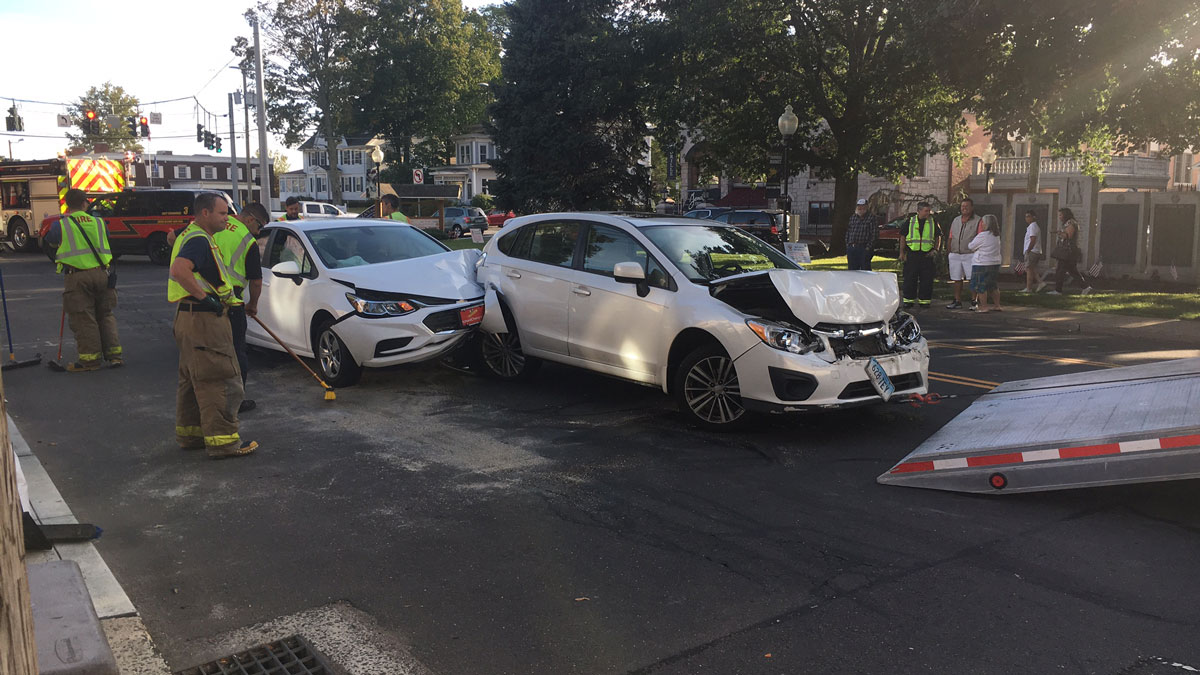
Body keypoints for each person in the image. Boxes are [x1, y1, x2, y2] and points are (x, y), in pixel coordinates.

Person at [168, 192, 257, 458]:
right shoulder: (199, 239)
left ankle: (191, 435)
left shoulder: (192, 235)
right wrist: (204, 298)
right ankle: (224, 442)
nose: (227, 218)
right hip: (203, 320)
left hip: (188, 318)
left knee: (192, 378)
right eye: (222, 213)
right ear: (205, 213)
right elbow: (179, 270)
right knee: (220, 378)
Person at [43, 188, 123, 371]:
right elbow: (107, 239)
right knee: (105, 315)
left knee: (84, 318)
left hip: (77, 276)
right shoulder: (99, 223)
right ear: (84, 203)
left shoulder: (61, 225)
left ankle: (90, 360)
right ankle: (115, 356)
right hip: (102, 274)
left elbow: (50, 240)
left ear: (67, 205)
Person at [215, 202, 269, 414]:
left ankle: (212, 399)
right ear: (249, 219)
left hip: (201, 299)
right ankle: (236, 401)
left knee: (210, 352)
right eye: (259, 226)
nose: (259, 232)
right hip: (231, 302)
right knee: (237, 352)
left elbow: (172, 238)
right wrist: (252, 305)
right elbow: (256, 281)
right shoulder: (247, 240)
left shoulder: (214, 224)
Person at [899, 201, 942, 309]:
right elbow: (903, 237)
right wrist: (902, 253)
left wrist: (935, 250)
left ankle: (925, 301)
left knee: (927, 279)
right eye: (926, 211)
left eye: (929, 211)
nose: (928, 213)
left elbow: (938, 236)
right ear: (919, 211)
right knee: (909, 278)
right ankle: (908, 300)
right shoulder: (910, 221)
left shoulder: (933, 222)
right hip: (912, 254)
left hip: (927, 255)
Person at [944, 198, 981, 309]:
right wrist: (949, 251)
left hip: (970, 254)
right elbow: (951, 237)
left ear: (972, 207)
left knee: (972, 279)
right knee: (956, 278)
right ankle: (957, 301)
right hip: (955, 254)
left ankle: (974, 301)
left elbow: (980, 238)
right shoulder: (956, 220)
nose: (964, 208)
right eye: (962, 206)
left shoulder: (978, 220)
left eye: (966, 206)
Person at [1048, 207, 1092, 295]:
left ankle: (1058, 290)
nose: (1059, 217)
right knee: (1072, 271)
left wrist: (1059, 233)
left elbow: (1068, 236)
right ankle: (1085, 287)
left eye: (1061, 215)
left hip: (1068, 251)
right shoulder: (1067, 223)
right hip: (1066, 251)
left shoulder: (1071, 223)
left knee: (1060, 270)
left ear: (1065, 215)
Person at [968, 214, 1003, 312]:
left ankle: (984, 307)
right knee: (993, 286)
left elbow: (971, 246)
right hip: (994, 263)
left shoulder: (983, 235)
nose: (982, 224)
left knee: (980, 286)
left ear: (987, 224)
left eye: (983, 222)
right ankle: (997, 305)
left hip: (981, 263)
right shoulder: (996, 236)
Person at [1020, 210, 1047, 293]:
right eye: (1026, 216)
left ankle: (1029, 288)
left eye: (1028, 216)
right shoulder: (1032, 226)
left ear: (1033, 217)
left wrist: (1028, 250)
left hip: (1032, 251)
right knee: (1032, 269)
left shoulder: (1033, 226)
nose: (1026, 218)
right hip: (1035, 251)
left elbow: (1033, 239)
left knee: (1029, 270)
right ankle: (1040, 282)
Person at [845, 198, 876, 271]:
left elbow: (874, 234)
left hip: (864, 247)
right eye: (859, 207)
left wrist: (868, 247)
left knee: (865, 270)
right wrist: (848, 245)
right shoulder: (853, 217)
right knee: (852, 270)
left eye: (863, 207)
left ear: (867, 207)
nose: (861, 209)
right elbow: (848, 232)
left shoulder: (871, 218)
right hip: (852, 248)